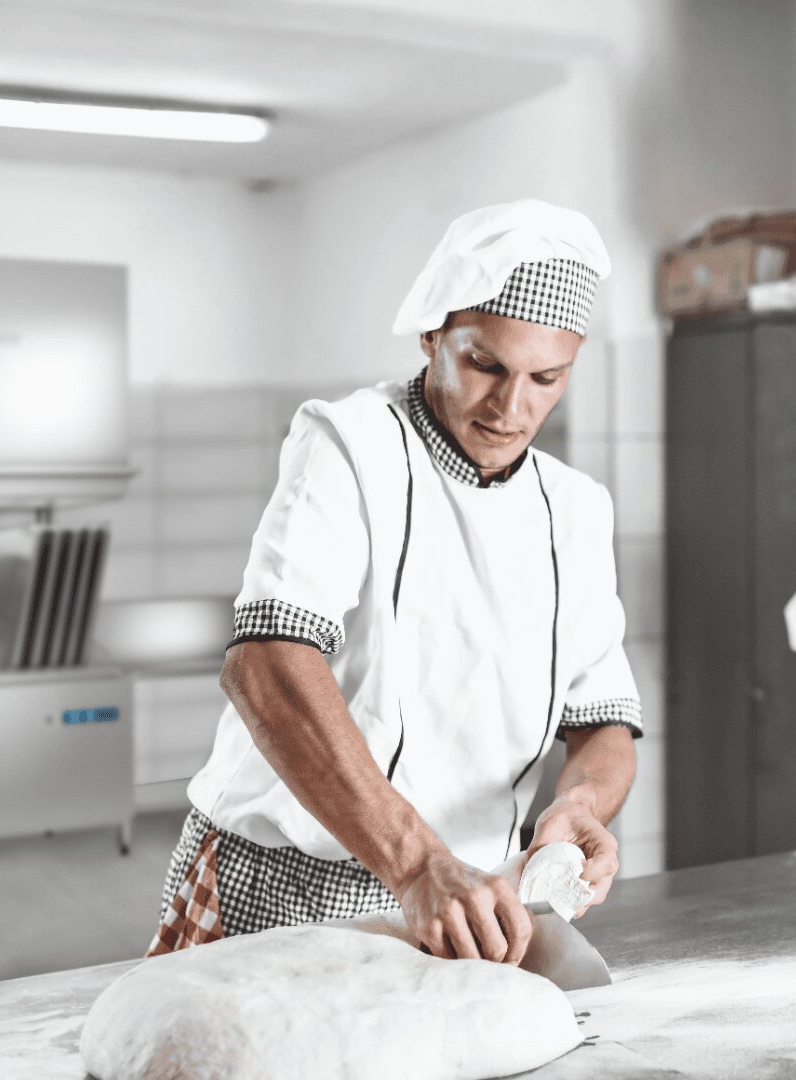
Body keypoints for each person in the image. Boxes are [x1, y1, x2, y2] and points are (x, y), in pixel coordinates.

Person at [148, 199, 641, 967]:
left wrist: (578, 804)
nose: (512, 408)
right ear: (433, 334)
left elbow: (604, 718)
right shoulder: (351, 443)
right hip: (284, 882)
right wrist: (414, 864)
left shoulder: (574, 508)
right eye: (486, 365)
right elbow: (266, 664)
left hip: (470, 903)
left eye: (546, 378)